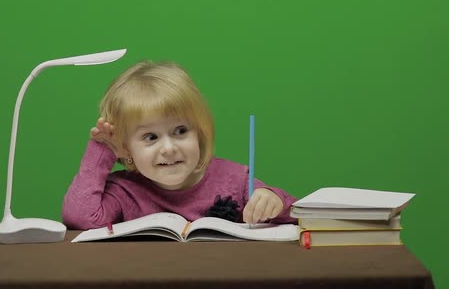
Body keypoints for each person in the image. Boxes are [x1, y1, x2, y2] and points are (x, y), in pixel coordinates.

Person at [62, 61, 297, 229]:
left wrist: (274, 199)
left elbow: (297, 213)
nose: (169, 148)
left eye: (181, 131)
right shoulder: (124, 190)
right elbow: (80, 217)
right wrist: (104, 151)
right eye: (151, 137)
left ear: (199, 132)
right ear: (125, 148)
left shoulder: (237, 180)